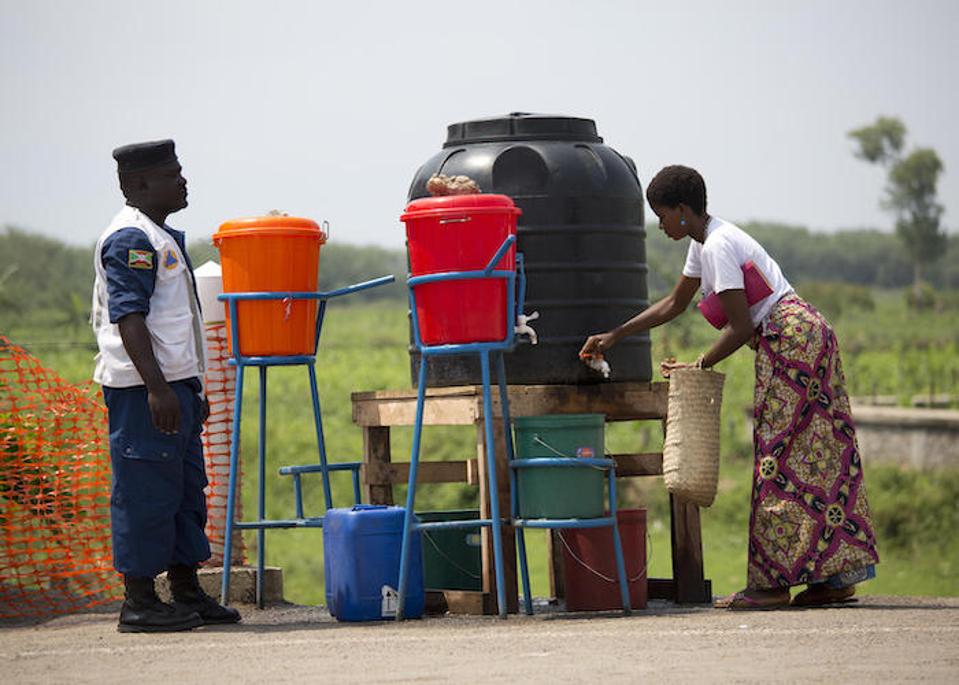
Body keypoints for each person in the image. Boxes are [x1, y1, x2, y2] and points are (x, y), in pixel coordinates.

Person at [580, 165, 879, 609]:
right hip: (802, 337)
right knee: (813, 458)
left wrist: (697, 364)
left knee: (779, 460)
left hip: (792, 340)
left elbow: (740, 328)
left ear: (683, 211)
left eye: (662, 215)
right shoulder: (704, 243)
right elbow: (675, 303)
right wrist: (616, 335)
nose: (660, 224)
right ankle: (832, 580)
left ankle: (773, 585)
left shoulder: (718, 246)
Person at [92, 139, 240, 631]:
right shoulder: (130, 239)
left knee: (184, 491)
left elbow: (177, 325)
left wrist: (191, 389)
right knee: (145, 492)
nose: (182, 181)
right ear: (137, 186)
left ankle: (185, 591)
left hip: (176, 388)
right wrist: (156, 388)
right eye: (170, 174)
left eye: (181, 172)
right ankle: (139, 602)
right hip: (143, 392)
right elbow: (129, 318)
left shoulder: (161, 235)